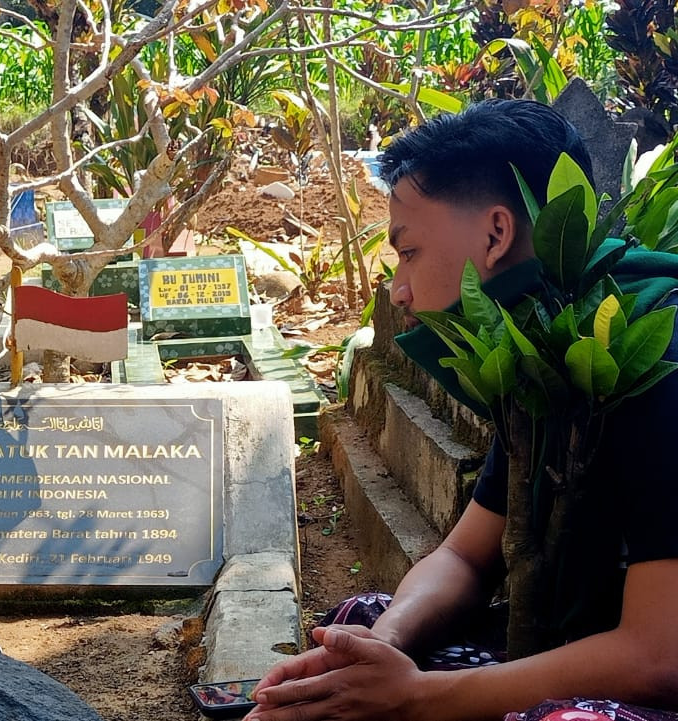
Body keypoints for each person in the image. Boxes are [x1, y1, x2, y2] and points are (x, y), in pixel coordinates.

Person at [246, 100, 678, 721]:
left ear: (496, 234)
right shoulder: (546, 353)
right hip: (571, 644)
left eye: (409, 250)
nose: (398, 287)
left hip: (648, 673)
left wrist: (417, 698)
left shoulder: (653, 357)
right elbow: (463, 556)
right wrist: (383, 648)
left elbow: (657, 656)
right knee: (358, 628)